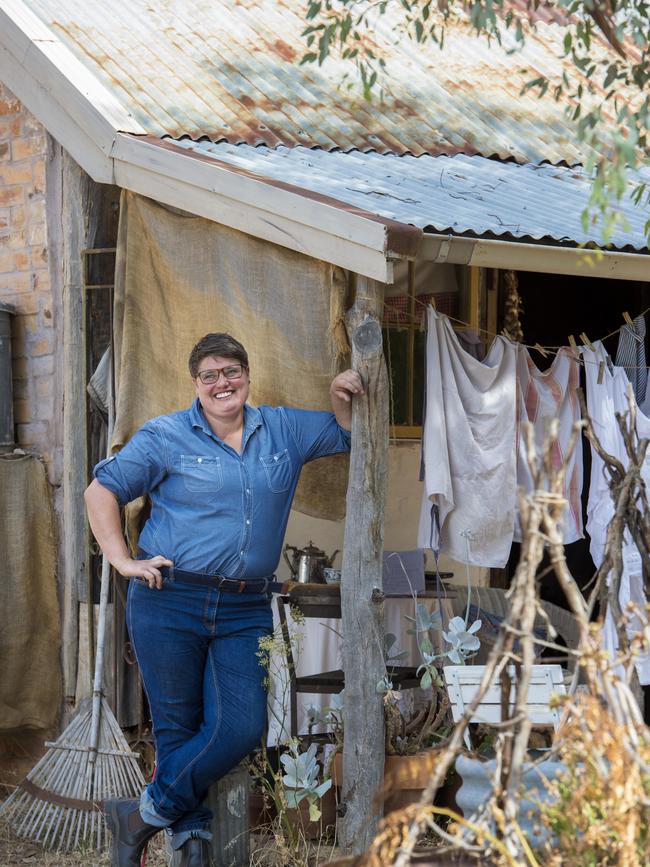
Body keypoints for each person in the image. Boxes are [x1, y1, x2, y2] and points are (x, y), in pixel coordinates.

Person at [84, 332, 362, 867]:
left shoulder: (281, 429)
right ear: (195, 384)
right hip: (170, 599)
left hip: (243, 607)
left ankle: (141, 816)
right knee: (176, 726)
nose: (222, 383)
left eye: (231, 371)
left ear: (247, 376)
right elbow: (102, 491)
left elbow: (345, 434)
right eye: (209, 375)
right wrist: (122, 560)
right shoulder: (165, 436)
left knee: (240, 726)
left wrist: (340, 396)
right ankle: (192, 843)